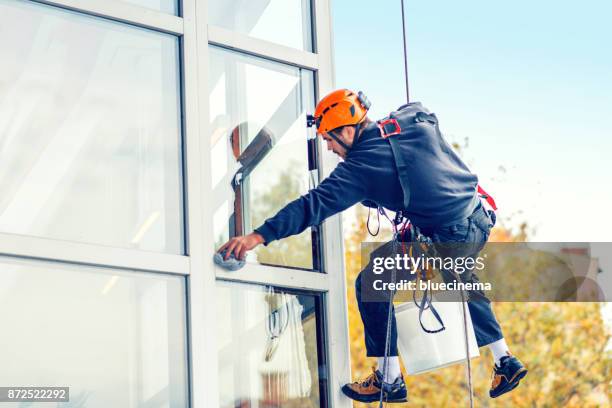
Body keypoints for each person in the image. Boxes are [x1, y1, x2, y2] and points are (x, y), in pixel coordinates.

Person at [217, 89, 527, 402]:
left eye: (329, 140)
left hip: (445, 234)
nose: (330, 149)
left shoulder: (359, 168)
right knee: (450, 277)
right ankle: (504, 360)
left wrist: (257, 236)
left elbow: (312, 205)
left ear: (348, 131)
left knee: (373, 283)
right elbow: (420, 110)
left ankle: (390, 379)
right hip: (478, 216)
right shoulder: (406, 120)